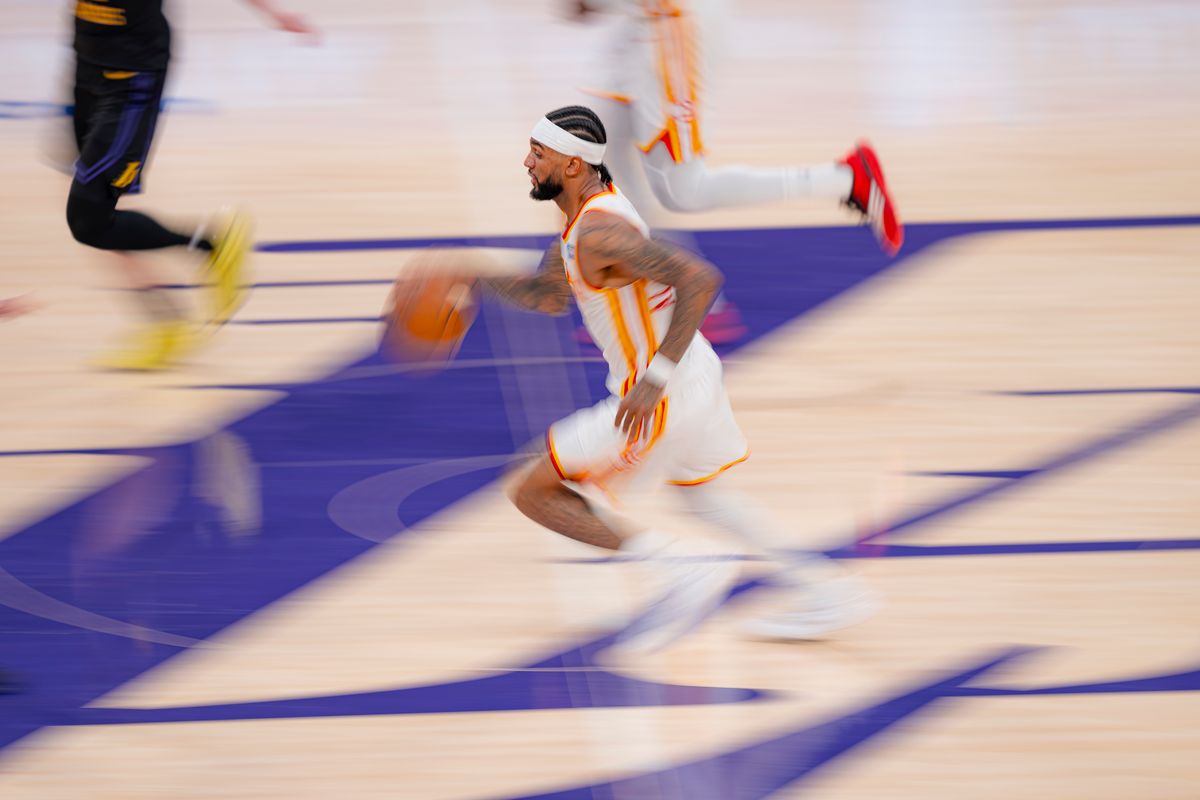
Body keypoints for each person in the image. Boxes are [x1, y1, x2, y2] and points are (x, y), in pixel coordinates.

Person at [450, 106, 875, 651]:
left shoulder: (599, 232)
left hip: (662, 390)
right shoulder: (584, 214)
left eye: (539, 153)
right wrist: (473, 274)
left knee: (534, 489)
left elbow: (700, 277)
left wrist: (653, 379)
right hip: (693, 373)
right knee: (710, 501)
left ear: (575, 165)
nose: (527, 163)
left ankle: (682, 570)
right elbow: (549, 295)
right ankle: (827, 590)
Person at [564, 0, 903, 343]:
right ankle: (647, 300)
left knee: (683, 190)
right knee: (599, 145)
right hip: (639, 21)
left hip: (675, 21)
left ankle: (846, 179)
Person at [67, 0, 316, 370]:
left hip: (129, 82)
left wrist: (272, 12)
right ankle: (164, 323)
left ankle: (211, 243)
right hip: (87, 66)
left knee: (90, 218)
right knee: (97, 208)